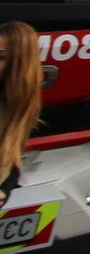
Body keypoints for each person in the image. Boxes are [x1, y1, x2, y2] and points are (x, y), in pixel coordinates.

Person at [1, 22, 44, 211]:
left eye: (1, 57)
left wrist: (3, 190)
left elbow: (11, 158)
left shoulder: (15, 104)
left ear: (18, 65)